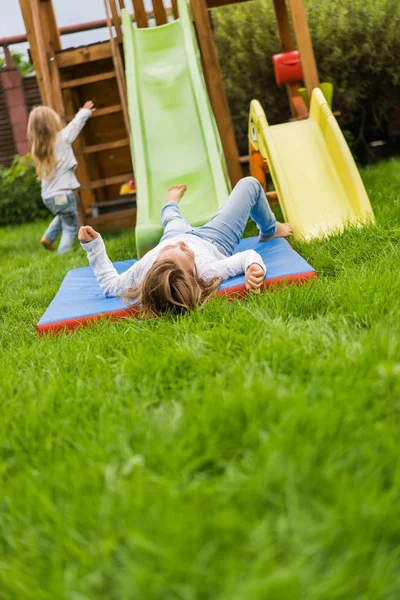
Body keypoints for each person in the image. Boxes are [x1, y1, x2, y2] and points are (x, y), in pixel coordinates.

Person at [79, 177, 293, 314]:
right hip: (215, 240)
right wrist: (255, 268)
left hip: (173, 233)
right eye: (186, 254)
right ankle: (270, 229)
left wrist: (93, 245)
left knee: (171, 218)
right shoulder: (208, 271)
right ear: (195, 274)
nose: (182, 245)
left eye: (171, 250)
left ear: (156, 262)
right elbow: (246, 256)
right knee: (250, 185)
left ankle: (170, 201)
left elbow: (109, 285)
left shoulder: (143, 272)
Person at [27, 101, 95, 254]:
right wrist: (85, 111)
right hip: (63, 194)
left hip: (48, 196)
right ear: (52, 123)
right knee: (70, 227)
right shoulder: (61, 139)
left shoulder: (37, 148)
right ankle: (62, 255)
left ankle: (48, 237)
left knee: (64, 215)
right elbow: (75, 126)